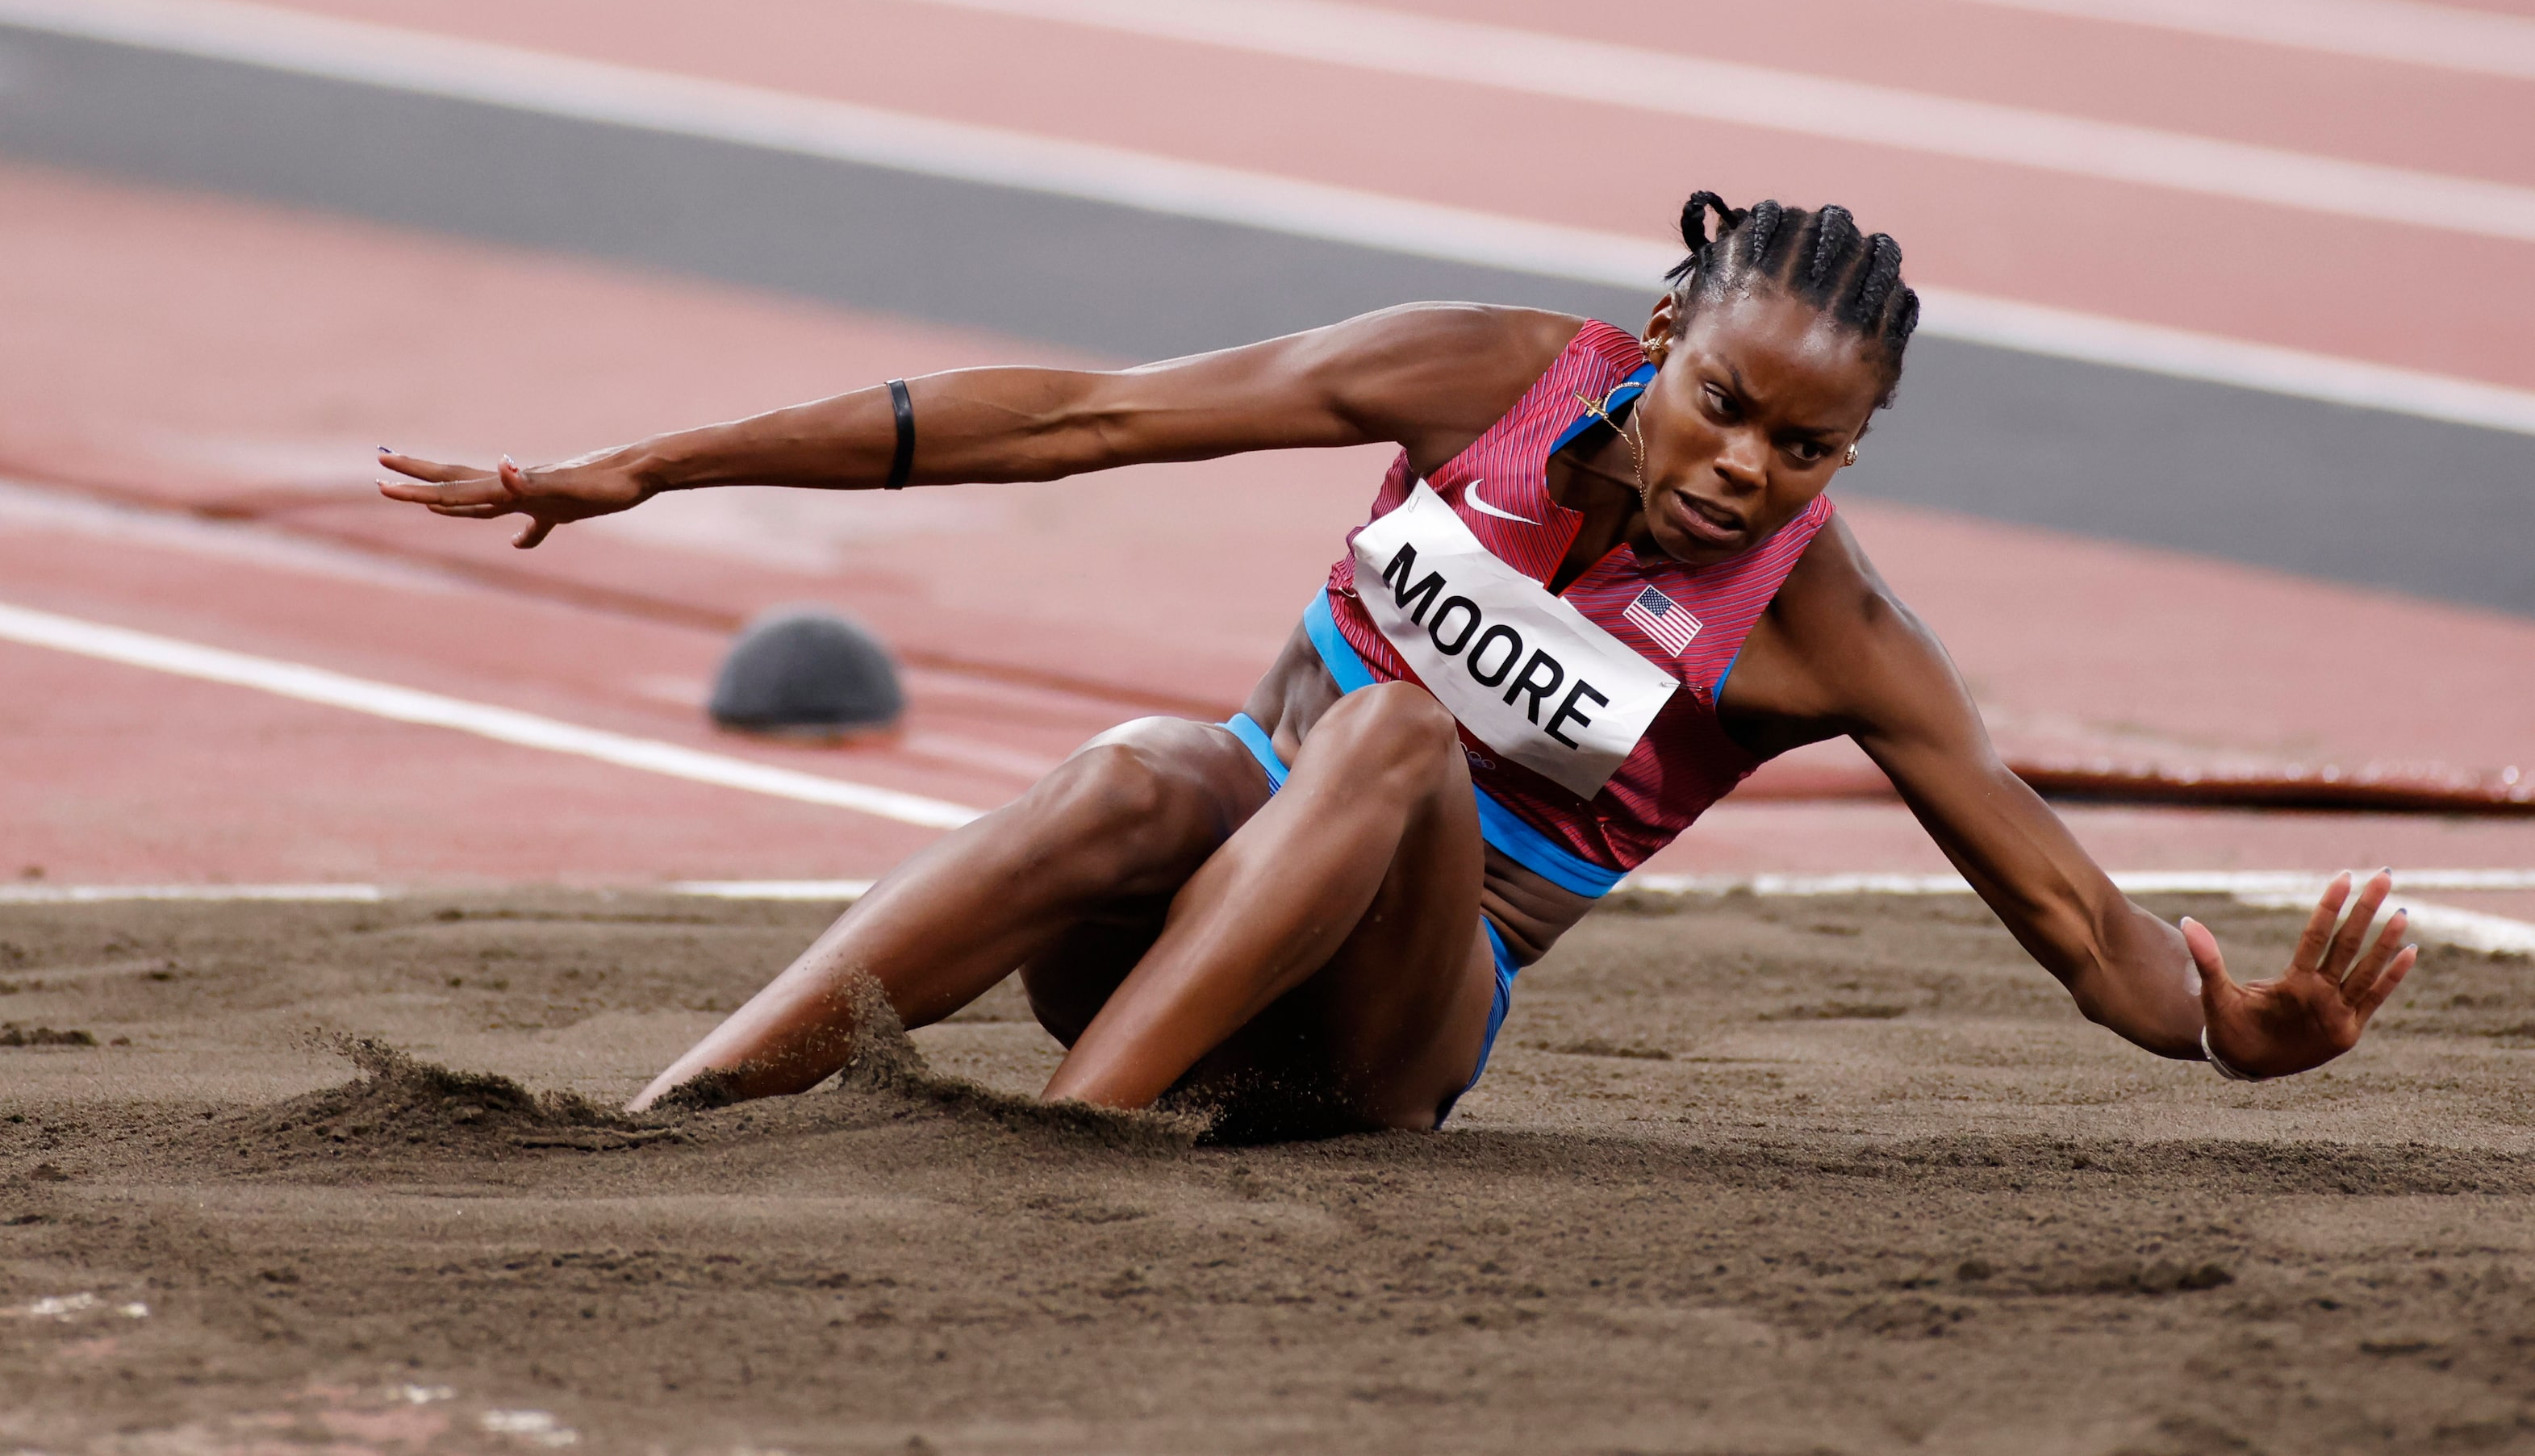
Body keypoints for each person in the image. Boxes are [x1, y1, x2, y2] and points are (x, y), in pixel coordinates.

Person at [379, 194, 2417, 1133]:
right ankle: (678, 1115)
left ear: (1850, 457)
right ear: (1653, 336)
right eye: (1719, 405)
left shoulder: (1825, 637)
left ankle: (1072, 1152)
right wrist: (655, 463)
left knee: (1379, 737)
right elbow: (1073, 415)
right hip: (1178, 921)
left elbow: (2067, 911)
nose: (1739, 469)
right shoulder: (1481, 380)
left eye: (1805, 447)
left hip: (1380, 1041)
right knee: (1145, 768)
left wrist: (2228, 1033)